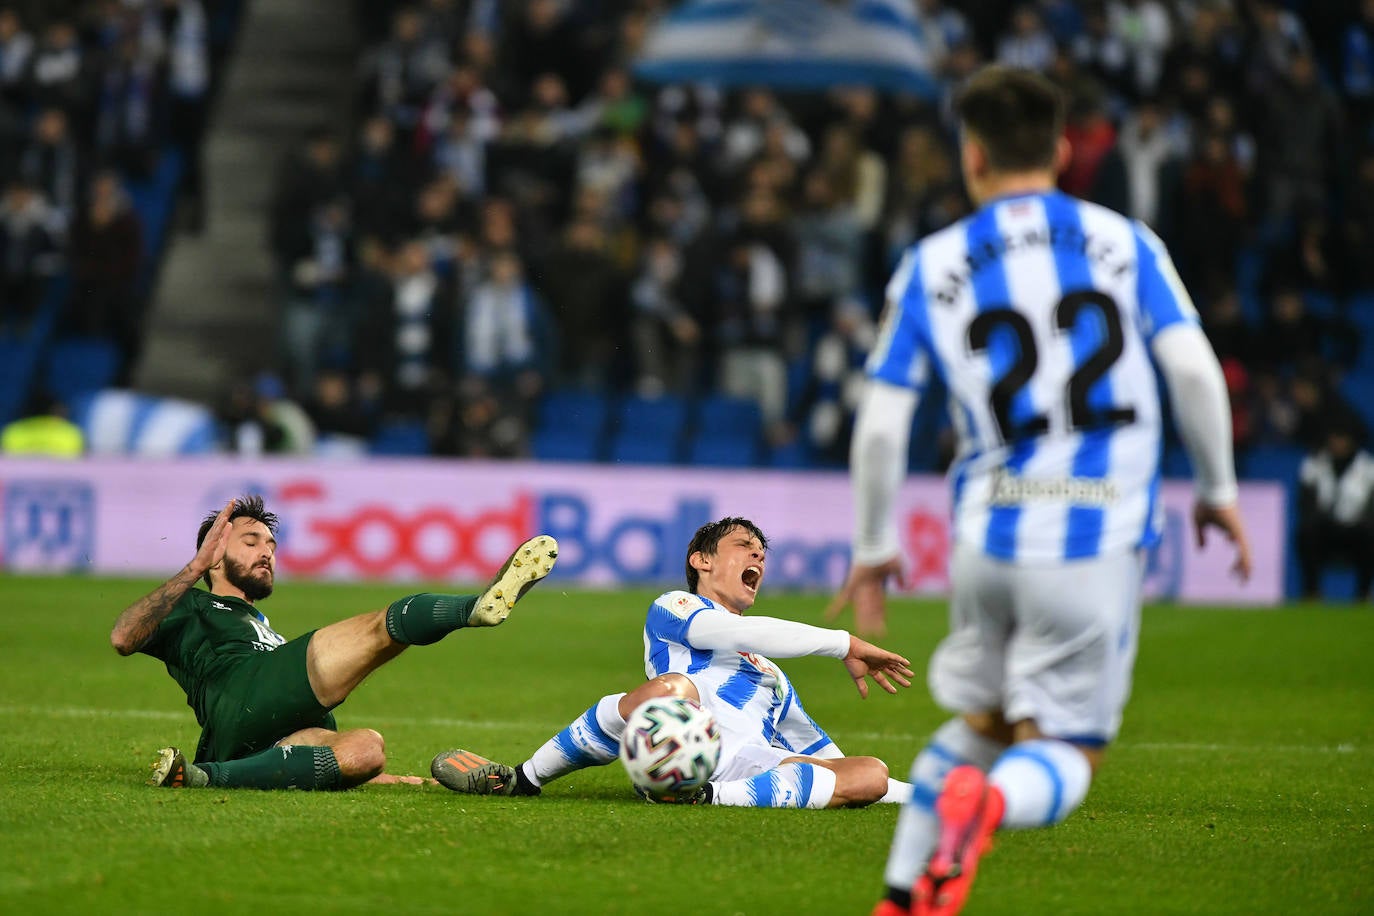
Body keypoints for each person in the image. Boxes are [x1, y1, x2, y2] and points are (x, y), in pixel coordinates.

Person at [825, 66, 1254, 916]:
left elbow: (879, 425)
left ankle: (906, 898)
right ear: (1061, 151)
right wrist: (1218, 487)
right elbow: (1194, 372)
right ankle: (982, 813)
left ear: (972, 155)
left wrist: (874, 546)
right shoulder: (1124, 242)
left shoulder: (932, 263)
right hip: (1093, 539)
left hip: (988, 538)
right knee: (1065, 752)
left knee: (980, 729)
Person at [432, 516, 916, 809]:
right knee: (674, 689)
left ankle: (703, 797)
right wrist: (843, 643)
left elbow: (828, 761)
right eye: (744, 545)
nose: (758, 557)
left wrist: (943, 798)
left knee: (869, 773)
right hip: (668, 739)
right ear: (701, 560)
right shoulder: (677, 608)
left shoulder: (771, 677)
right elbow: (737, 631)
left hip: (742, 770)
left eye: (762, 554)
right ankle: (522, 779)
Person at [110, 494, 558, 790]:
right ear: (214, 556)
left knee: (367, 750)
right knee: (378, 629)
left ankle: (206, 776)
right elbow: (123, 637)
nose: (266, 551)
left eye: (270, 543)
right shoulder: (191, 606)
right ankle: (473, 609)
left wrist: (410, 784)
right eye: (250, 541)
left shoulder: (263, 627)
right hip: (238, 691)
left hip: (249, 744)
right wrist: (193, 568)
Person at [1296, 417, 1374, 600]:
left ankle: (1362, 595)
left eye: (1342, 437)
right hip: (1325, 531)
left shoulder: (1368, 468)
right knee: (1306, 532)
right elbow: (1305, 505)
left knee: (1371, 536)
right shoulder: (1314, 465)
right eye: (1334, 437)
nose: (1337, 442)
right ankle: (1312, 593)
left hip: (1356, 531)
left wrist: (1359, 523)